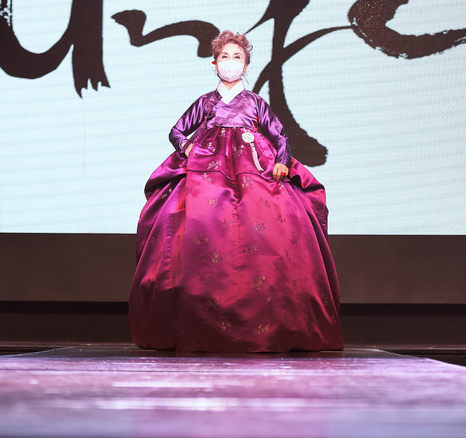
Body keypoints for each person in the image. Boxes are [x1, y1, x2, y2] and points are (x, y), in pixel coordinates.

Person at [128, 30, 344, 353]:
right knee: (189, 225)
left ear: (246, 66)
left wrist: (282, 161)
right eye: (224, 57)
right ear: (214, 64)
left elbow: (280, 137)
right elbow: (177, 131)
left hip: (252, 166)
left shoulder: (256, 103)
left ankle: (270, 320)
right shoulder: (205, 102)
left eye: (237, 57)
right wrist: (188, 148)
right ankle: (193, 319)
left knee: (272, 228)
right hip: (205, 166)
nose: (230, 62)